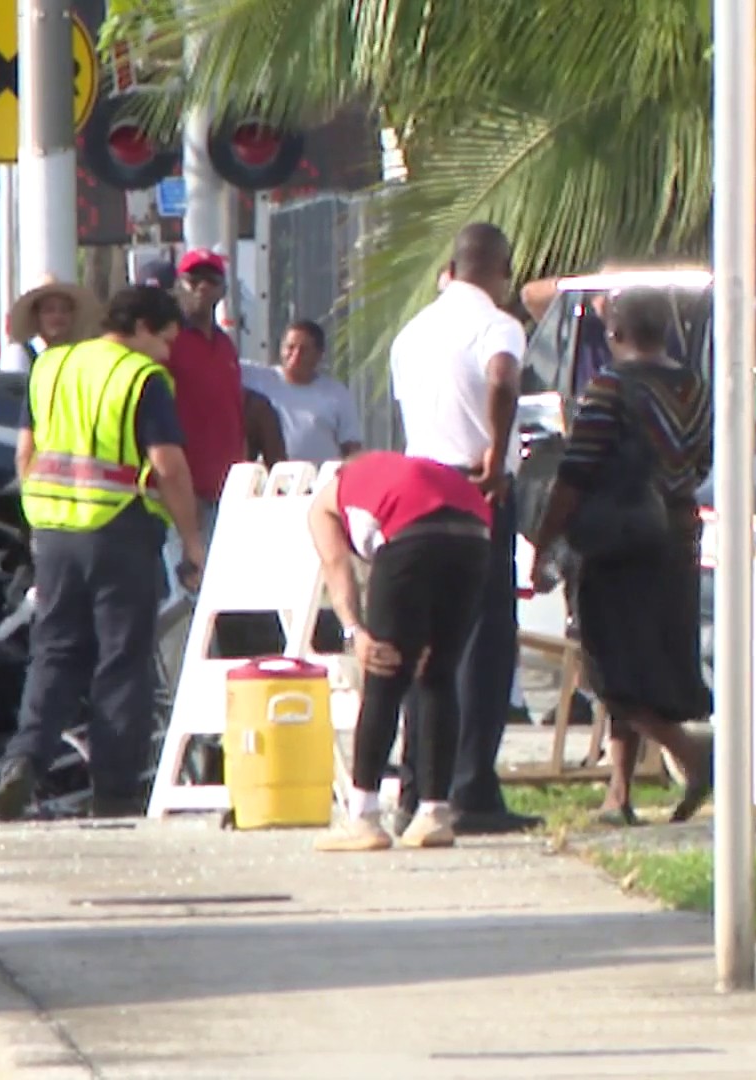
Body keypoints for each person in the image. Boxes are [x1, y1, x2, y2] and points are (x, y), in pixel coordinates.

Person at [0, 286, 208, 820]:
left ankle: (24, 758)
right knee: (122, 660)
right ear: (139, 328)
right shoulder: (140, 377)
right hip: (119, 531)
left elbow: (26, 454)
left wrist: (42, 520)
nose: (168, 353)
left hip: (56, 535)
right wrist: (194, 543)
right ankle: (114, 791)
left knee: (55, 651)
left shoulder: (52, 367)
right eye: (165, 340)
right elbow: (169, 467)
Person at [529, 288, 714, 825]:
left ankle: (690, 752)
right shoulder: (694, 388)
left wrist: (544, 541)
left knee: (606, 665)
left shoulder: (610, 389)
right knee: (647, 662)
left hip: (618, 546)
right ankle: (619, 794)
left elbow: (575, 475)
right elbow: (702, 465)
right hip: (678, 538)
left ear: (615, 333)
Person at [386, 222, 539, 835]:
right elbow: (502, 379)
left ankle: (420, 787)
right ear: (500, 270)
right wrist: (496, 454)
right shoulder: (497, 325)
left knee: (426, 640)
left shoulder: (413, 331)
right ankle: (472, 787)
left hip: (418, 487)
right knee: (483, 638)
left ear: (451, 267)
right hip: (475, 488)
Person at [309, 451, 493, 850]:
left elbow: (336, 565)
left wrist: (354, 630)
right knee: (438, 674)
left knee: (384, 672)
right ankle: (434, 814)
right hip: (475, 534)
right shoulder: (395, 472)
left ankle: (363, 815)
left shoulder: (324, 503)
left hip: (411, 534)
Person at [164, 248, 246, 540]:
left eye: (211, 279)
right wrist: (179, 491)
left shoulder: (225, 345)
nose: (202, 286)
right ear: (178, 285)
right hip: (185, 491)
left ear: (222, 289)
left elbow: (234, 410)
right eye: (193, 278)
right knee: (188, 581)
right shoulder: (168, 341)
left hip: (227, 489)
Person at [241, 320, 363, 463]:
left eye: (303, 350)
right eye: (290, 347)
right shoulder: (257, 377)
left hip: (321, 481)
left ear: (319, 354)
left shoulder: (337, 394)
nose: (295, 355)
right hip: (273, 481)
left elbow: (352, 448)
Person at [7, 276, 102, 367]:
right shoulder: (21, 354)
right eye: (49, 310)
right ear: (36, 317)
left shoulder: (78, 356)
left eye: (64, 310)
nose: (58, 316)